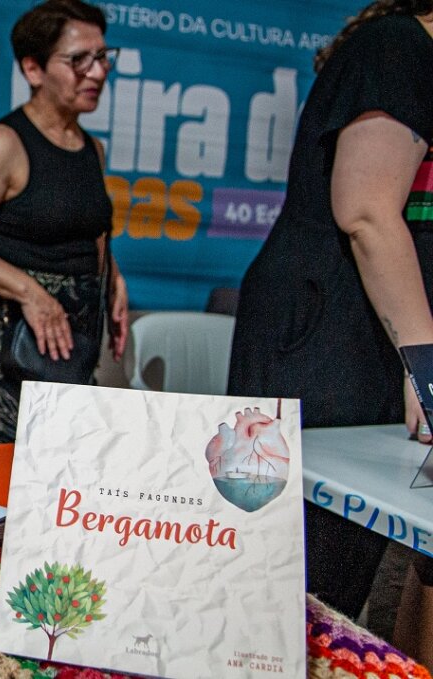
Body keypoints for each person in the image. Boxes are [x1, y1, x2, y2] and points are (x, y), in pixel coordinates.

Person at [228, 0, 433, 618]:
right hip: (327, 338)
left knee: (335, 586)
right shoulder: (397, 46)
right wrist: (427, 367)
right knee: (291, 581)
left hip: (361, 336)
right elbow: (366, 211)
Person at [0, 0, 128, 443]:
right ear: (33, 69)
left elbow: (92, 231)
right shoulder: (5, 144)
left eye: (102, 57)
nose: (97, 73)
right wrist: (31, 294)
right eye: (78, 60)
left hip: (73, 349)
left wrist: (112, 282)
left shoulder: (91, 148)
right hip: (10, 353)